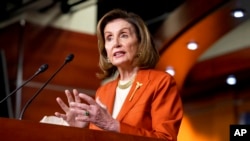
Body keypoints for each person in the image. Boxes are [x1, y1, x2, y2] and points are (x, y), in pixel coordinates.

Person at [54, 8, 183, 141]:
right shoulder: (103, 92)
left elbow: (166, 138)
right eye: (109, 38)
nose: (116, 44)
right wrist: (78, 131)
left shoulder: (160, 82)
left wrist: (113, 125)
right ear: (106, 50)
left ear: (140, 43)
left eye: (124, 35)